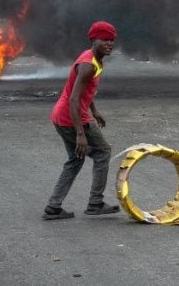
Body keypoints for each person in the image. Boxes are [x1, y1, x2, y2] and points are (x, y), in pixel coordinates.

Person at [43, 21, 120, 220]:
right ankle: (95, 203)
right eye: (105, 40)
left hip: (63, 116)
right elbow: (74, 99)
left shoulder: (95, 59)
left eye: (112, 40)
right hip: (72, 118)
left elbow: (85, 92)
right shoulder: (87, 65)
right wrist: (80, 134)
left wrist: (94, 110)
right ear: (94, 40)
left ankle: (54, 206)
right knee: (103, 152)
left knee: (75, 160)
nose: (109, 43)